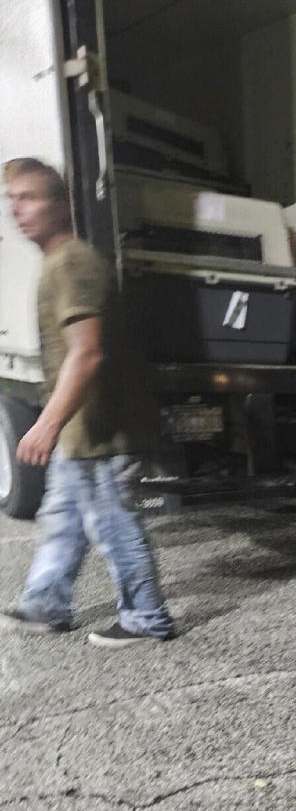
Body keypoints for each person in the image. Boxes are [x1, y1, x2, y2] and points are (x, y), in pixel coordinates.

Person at [0, 158, 175, 647]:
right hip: (82, 429)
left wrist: (46, 424)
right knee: (62, 518)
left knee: (113, 522)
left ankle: (146, 617)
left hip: (101, 428)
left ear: (60, 205)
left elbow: (88, 352)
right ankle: (46, 603)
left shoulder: (73, 262)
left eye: (29, 197)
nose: (17, 210)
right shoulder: (58, 262)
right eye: (11, 199)